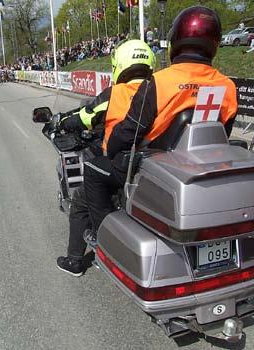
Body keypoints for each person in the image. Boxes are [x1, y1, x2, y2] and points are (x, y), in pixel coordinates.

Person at [82, 6, 238, 249]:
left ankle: (103, 237)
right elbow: (223, 134)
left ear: (175, 40)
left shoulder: (160, 81)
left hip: (154, 165)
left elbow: (129, 131)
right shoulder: (227, 86)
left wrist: (109, 148)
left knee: (93, 169)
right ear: (215, 43)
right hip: (202, 164)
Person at [56, 40, 155, 277]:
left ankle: (76, 260)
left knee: (81, 198)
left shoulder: (116, 93)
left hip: (123, 165)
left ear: (119, 64)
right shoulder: (157, 91)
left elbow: (85, 116)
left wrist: (62, 123)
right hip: (153, 163)